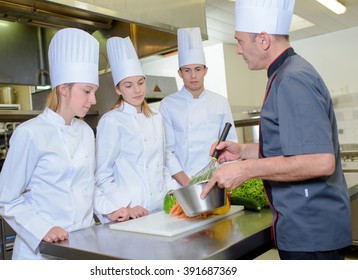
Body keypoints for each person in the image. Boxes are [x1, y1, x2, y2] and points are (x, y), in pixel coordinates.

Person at [201, 0, 352, 260]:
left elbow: (320, 161)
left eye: (239, 41)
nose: (238, 50)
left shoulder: (292, 78)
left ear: (263, 40)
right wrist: (242, 152)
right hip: (304, 227)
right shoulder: (284, 74)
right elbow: (289, 147)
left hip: (311, 230)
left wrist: (245, 170)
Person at [0, 28, 99, 259]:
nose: (93, 100)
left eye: (94, 92)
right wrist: (43, 229)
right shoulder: (30, 133)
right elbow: (6, 199)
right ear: (63, 88)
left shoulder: (86, 132)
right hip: (42, 253)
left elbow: (89, 187)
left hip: (82, 244)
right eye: (87, 91)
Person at [94, 36, 173, 224]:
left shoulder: (156, 118)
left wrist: (175, 196)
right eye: (128, 85)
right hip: (130, 215)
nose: (137, 90)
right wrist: (126, 206)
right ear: (118, 90)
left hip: (161, 209)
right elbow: (102, 175)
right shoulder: (111, 121)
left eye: (140, 82)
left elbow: (163, 166)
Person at [159, 27, 238, 187]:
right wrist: (189, 185)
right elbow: (167, 151)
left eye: (198, 69)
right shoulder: (167, 104)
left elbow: (230, 143)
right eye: (187, 70)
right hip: (182, 184)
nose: (193, 76)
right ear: (180, 73)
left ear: (205, 71)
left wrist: (224, 181)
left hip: (216, 181)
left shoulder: (220, 102)